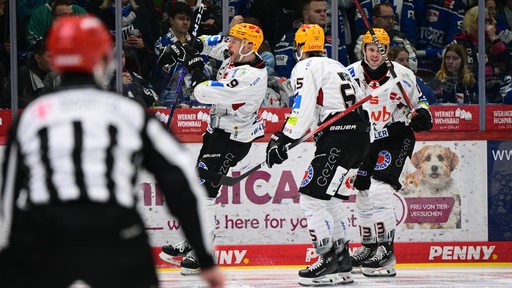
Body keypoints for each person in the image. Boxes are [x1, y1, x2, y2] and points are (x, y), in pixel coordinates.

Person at [0, 15, 225, 288]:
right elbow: (180, 186)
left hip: (47, 236)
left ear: (56, 58)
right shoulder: (128, 112)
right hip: (116, 234)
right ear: (104, 58)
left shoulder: (32, 117)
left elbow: (9, 193)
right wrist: (204, 258)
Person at [158, 22, 267, 275]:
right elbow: (210, 42)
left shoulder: (252, 77)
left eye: (235, 42)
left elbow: (203, 93)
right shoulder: (236, 52)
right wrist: (191, 45)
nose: (229, 45)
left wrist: (195, 65)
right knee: (200, 188)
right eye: (230, 40)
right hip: (217, 132)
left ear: (249, 46)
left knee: (204, 191)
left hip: (233, 139)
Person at [266, 23, 370, 286]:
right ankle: (342, 260)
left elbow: (303, 108)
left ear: (300, 48)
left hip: (340, 134)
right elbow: (322, 110)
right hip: (358, 134)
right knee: (331, 199)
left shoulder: (304, 67)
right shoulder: (336, 66)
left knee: (311, 198)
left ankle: (326, 258)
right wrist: (289, 138)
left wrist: (284, 136)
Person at [346, 28, 433, 277]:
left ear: (387, 51)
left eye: (380, 50)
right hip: (366, 140)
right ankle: (368, 246)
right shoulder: (350, 74)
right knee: (361, 189)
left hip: (396, 137)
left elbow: (421, 103)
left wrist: (424, 115)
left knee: (380, 190)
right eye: (371, 50)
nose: (375, 55)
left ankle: (386, 252)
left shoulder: (403, 75)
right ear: (364, 50)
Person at [273, 0, 350, 79]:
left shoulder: (334, 39)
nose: (323, 14)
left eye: (324, 11)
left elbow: (345, 70)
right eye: (318, 11)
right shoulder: (288, 41)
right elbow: (286, 79)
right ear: (306, 14)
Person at [452, 6, 511, 103]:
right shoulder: (460, 42)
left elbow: (508, 63)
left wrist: (494, 39)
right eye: (482, 20)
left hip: (498, 89)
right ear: (471, 21)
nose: (486, 24)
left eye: (488, 20)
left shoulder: (495, 40)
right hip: (471, 90)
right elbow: (465, 70)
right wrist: (492, 70)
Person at [354, 2, 417, 73]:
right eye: (386, 18)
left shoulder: (400, 38)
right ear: (374, 19)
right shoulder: (364, 38)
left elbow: (413, 66)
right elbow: (362, 63)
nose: (390, 21)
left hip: (401, 78)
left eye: (392, 18)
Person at [415, 0, 466, 81]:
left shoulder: (456, 6)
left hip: (439, 71)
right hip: (415, 67)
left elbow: (450, 48)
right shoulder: (416, 3)